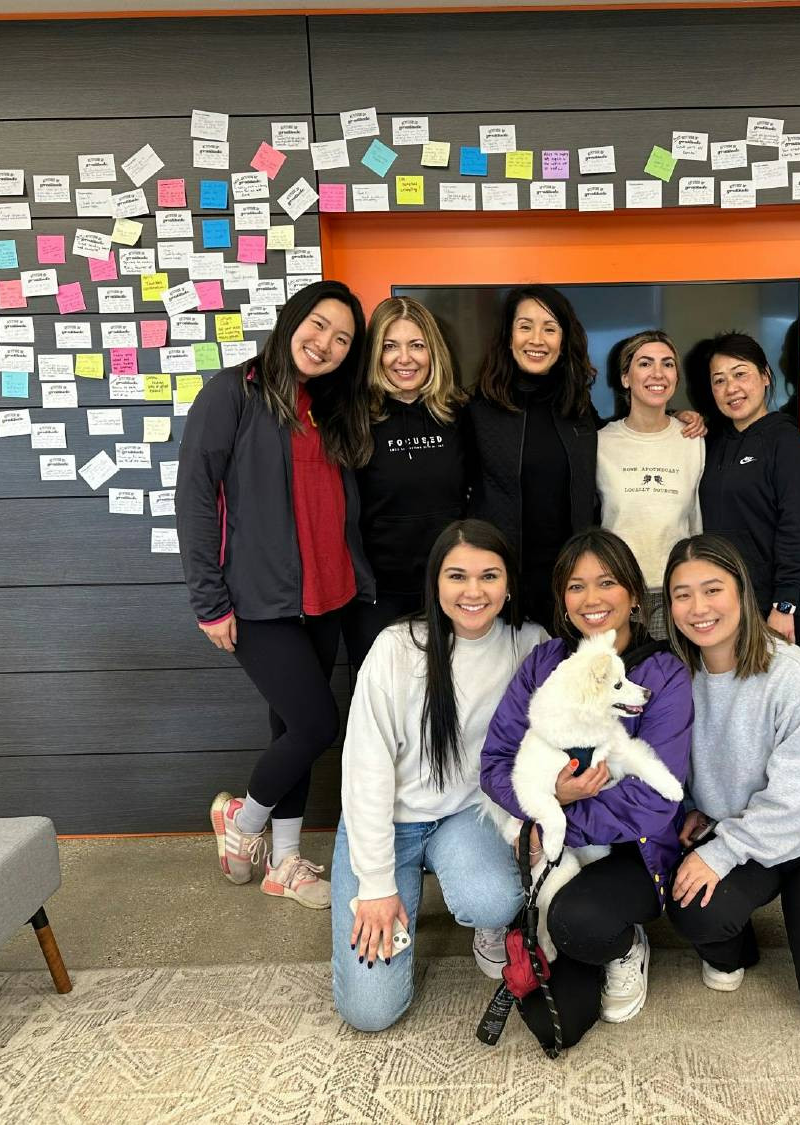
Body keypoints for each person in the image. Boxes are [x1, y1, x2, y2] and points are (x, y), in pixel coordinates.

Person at [177, 280, 373, 908]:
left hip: (328, 594)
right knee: (317, 725)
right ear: (292, 321)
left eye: (343, 339)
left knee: (290, 726)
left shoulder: (330, 406)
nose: (326, 344)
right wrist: (209, 600)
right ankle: (242, 820)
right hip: (260, 601)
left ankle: (285, 863)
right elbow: (195, 499)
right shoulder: (233, 392)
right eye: (318, 326)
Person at [330, 519, 548, 1032]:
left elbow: (550, 743)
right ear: (435, 584)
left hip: (467, 817)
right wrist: (378, 886)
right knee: (371, 1012)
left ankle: (486, 922)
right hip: (390, 824)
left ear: (509, 583)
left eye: (489, 576)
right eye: (457, 576)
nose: (474, 591)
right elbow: (365, 772)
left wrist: (532, 818)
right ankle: (395, 892)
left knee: (493, 898)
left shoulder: (530, 645)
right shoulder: (396, 649)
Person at [662, 533, 800, 1029]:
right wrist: (694, 807)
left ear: (741, 591)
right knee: (693, 908)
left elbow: (797, 798)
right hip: (736, 830)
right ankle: (738, 944)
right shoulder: (676, 677)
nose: (699, 607)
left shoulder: (794, 677)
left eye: (713, 589)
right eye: (682, 594)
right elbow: (671, 759)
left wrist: (720, 853)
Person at [481, 529, 691, 1039]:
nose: (592, 599)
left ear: (634, 595)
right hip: (555, 841)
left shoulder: (662, 675)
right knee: (556, 1026)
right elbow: (496, 762)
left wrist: (556, 817)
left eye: (607, 583)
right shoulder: (545, 664)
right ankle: (572, 934)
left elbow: (650, 802)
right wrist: (543, 801)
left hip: (631, 851)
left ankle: (626, 944)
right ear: (562, 599)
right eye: (576, 587)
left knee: (579, 923)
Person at [342, 296, 470, 670]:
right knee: (382, 704)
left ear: (433, 352)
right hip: (377, 596)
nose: (405, 358)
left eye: (416, 345)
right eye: (390, 346)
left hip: (450, 590)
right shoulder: (353, 419)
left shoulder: (459, 415)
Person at [467, 285, 600, 630]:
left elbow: (624, 434)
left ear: (563, 340)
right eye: (525, 326)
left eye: (550, 328)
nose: (537, 339)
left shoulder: (580, 408)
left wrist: (675, 416)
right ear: (509, 336)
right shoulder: (477, 409)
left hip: (570, 587)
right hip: (499, 587)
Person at [696, 332, 800, 646]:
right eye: (719, 380)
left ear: (765, 376)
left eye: (740, 374)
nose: (731, 388)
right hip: (719, 603)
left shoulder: (787, 442)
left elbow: (799, 525)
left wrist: (785, 604)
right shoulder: (712, 444)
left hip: (772, 605)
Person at [597, 330, 705, 638]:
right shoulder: (600, 442)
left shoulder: (694, 438)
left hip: (679, 592)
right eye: (645, 363)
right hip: (618, 592)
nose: (658, 373)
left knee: (674, 682)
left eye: (668, 364)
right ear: (626, 378)